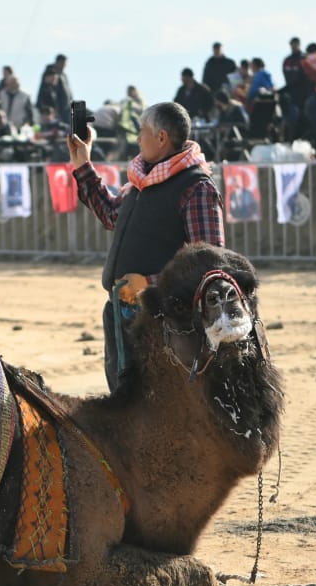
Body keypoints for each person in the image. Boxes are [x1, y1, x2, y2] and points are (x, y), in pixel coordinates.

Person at [67, 101, 224, 391]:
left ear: (161, 138)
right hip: (123, 310)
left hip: (163, 320)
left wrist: (150, 284)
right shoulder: (143, 182)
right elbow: (111, 214)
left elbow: (209, 262)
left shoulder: (197, 187)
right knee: (124, 402)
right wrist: (82, 163)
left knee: (154, 406)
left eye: (142, 132)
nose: (138, 138)